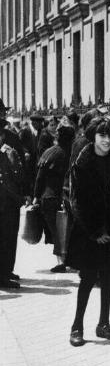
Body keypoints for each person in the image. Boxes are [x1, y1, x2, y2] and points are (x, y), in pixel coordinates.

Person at [65, 118, 110, 347]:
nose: (107, 140)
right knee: (88, 277)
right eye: (102, 135)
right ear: (93, 137)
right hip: (89, 230)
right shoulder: (82, 163)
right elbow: (76, 201)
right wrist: (94, 231)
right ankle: (77, 326)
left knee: (108, 276)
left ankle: (104, 323)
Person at [33, 123, 76, 273]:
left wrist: (36, 196)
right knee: (68, 229)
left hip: (50, 197)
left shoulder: (50, 152)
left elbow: (40, 178)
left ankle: (61, 262)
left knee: (56, 230)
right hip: (69, 197)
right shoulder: (74, 153)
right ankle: (70, 258)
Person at [0, 124, 25, 289]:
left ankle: (6, 272)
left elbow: (20, 170)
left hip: (9, 200)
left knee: (8, 237)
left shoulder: (10, 143)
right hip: (5, 199)